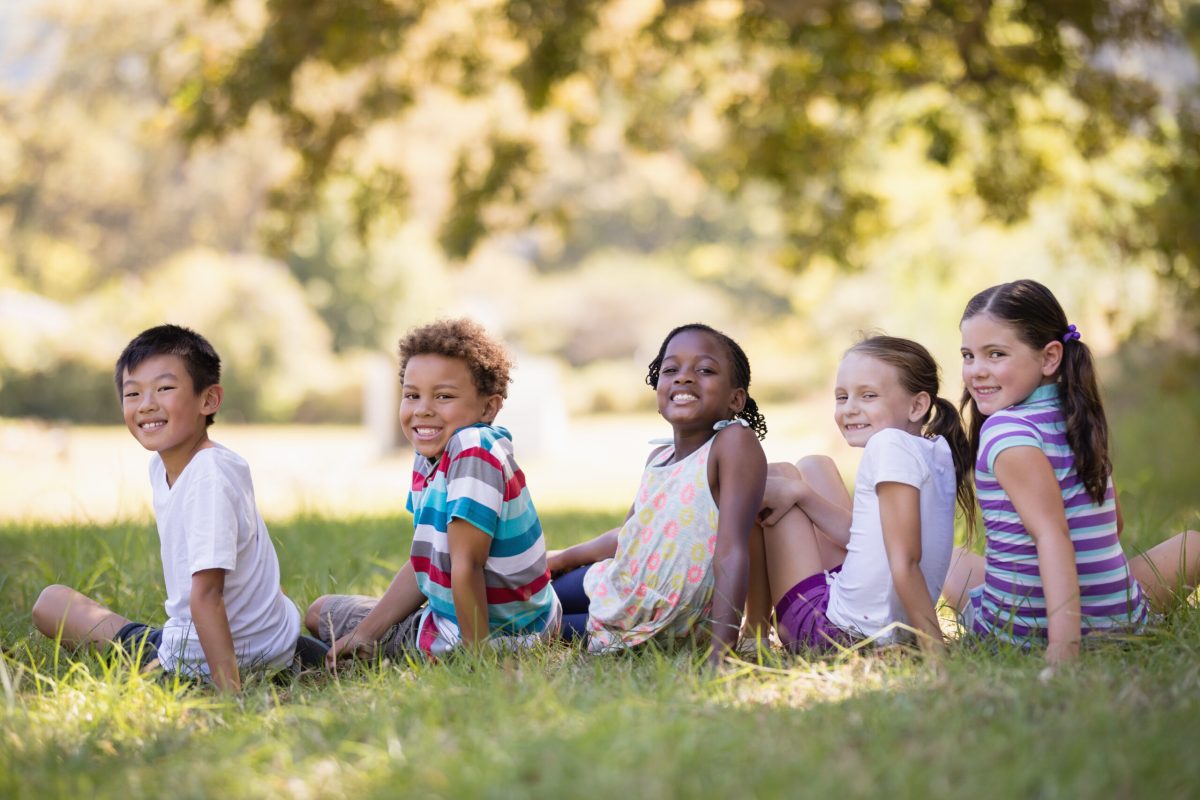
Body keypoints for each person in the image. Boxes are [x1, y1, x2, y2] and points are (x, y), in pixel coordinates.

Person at [31, 324, 308, 692]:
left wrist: (231, 694)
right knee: (60, 604)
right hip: (272, 643)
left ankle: (174, 661)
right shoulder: (181, 465)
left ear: (208, 400)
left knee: (51, 604)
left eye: (164, 388)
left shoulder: (208, 476)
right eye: (133, 393)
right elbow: (256, 567)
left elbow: (207, 595)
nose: (146, 404)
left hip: (206, 661)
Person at [943, 279, 1200, 666]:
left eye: (995, 354)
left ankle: (1064, 637)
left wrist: (1063, 653)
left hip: (1026, 634)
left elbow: (1053, 536)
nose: (976, 371)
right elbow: (1112, 527)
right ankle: (1108, 612)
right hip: (1122, 621)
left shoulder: (1006, 430)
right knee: (1193, 542)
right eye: (968, 356)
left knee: (947, 558)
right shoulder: (1078, 417)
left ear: (1049, 358)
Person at [310, 318, 560, 666]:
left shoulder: (472, 448)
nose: (423, 409)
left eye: (443, 396)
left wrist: (478, 662)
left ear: (489, 407)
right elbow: (426, 562)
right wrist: (367, 631)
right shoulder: (434, 452)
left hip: (485, 637)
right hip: (529, 619)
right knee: (345, 620)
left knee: (319, 613)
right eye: (412, 395)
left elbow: (467, 565)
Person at [548, 323, 768, 668]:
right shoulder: (659, 458)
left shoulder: (733, 443)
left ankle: (455, 624)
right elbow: (632, 537)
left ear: (735, 399)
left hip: (661, 615)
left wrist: (720, 653)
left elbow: (732, 548)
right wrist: (564, 558)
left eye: (705, 370)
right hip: (620, 584)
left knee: (533, 623)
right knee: (523, 593)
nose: (683, 378)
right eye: (670, 369)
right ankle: (445, 607)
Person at [745, 336, 974, 656]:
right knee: (814, 465)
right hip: (877, 623)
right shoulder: (936, 448)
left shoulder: (888, 445)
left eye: (868, 395)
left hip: (829, 634)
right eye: (842, 397)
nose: (850, 409)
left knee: (774, 481)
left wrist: (935, 652)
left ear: (917, 405)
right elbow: (870, 541)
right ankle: (753, 631)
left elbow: (905, 562)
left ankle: (751, 634)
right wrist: (800, 492)